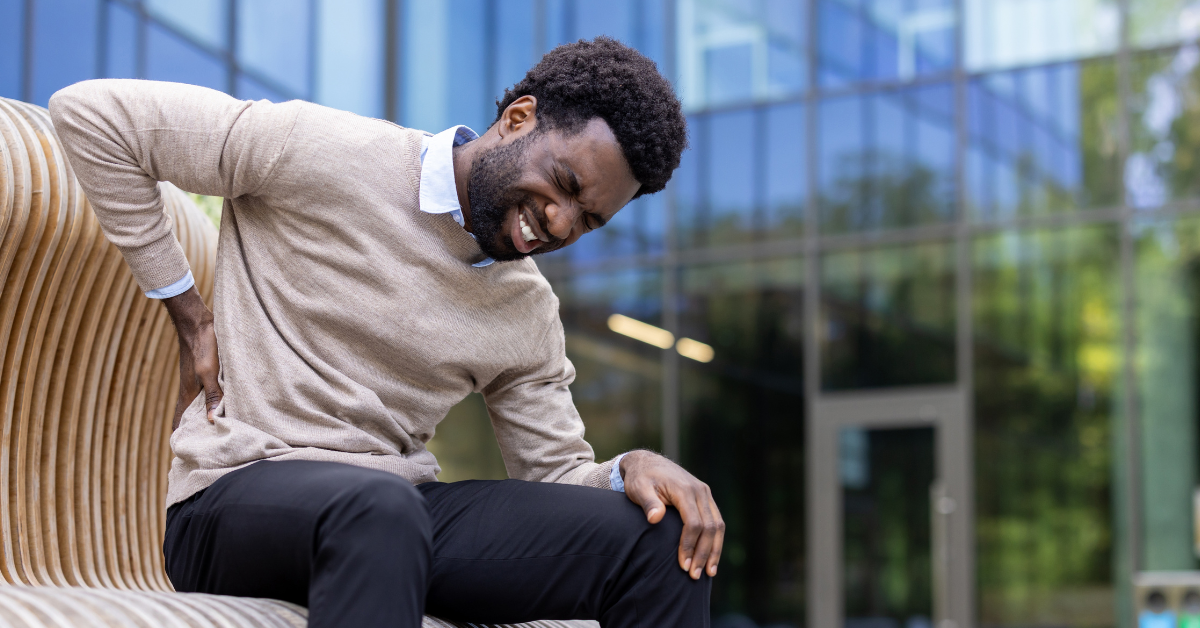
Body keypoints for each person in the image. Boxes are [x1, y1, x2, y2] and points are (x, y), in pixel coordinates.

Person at [49, 37, 721, 627]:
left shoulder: (525, 309)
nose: (561, 222)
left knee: (662, 541)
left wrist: (625, 471)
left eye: (589, 219)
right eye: (563, 183)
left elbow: (553, 475)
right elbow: (93, 116)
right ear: (518, 119)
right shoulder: (324, 152)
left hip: (393, 517)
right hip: (233, 499)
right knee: (379, 510)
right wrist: (188, 312)